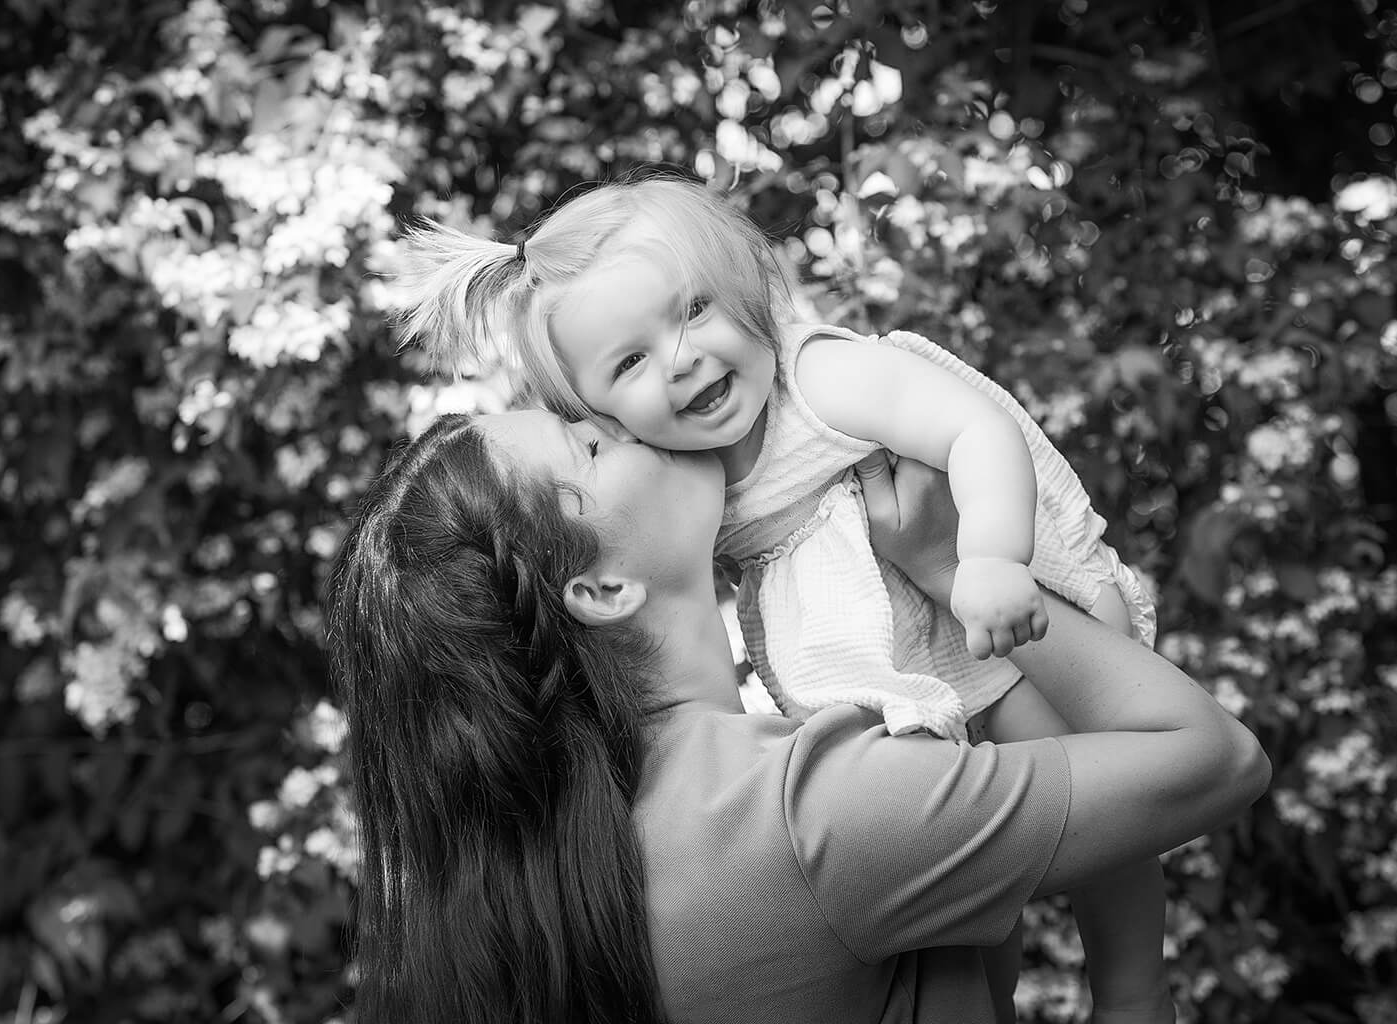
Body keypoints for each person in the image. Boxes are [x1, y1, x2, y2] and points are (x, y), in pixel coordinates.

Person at [391, 175, 1164, 1014]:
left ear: (748, 289)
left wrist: (985, 560)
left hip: (1000, 623)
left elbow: (977, 427)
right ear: (605, 412)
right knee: (973, 912)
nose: (680, 358)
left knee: (1095, 806)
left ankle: (1131, 991)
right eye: (630, 362)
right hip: (911, 676)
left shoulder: (819, 381)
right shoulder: (688, 470)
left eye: (691, 311)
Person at [325, 407, 1271, 1024]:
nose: (625, 416)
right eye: (590, 444)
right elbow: (1214, 758)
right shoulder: (806, 814)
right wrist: (949, 568)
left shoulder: (568, 880)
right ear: (603, 586)